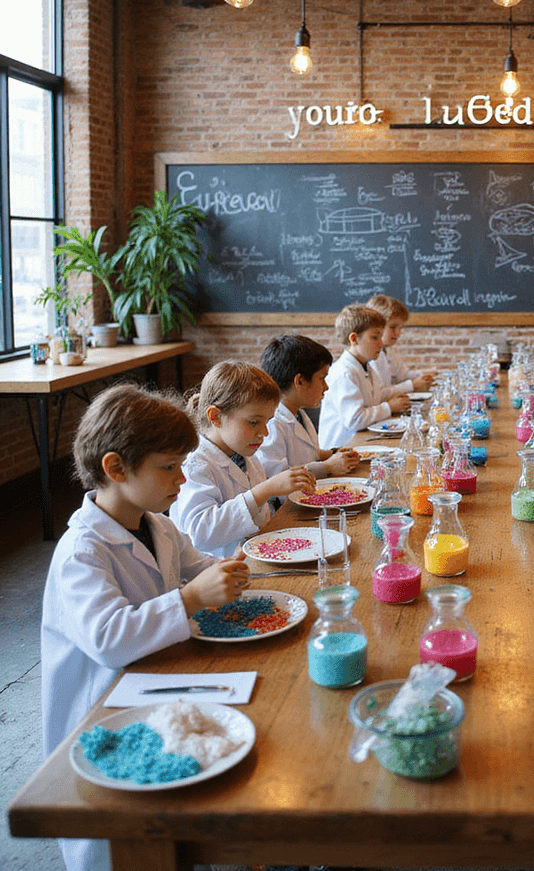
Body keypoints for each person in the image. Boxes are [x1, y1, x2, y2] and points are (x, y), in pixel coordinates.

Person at [40, 383, 250, 871]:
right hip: (103, 709)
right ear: (116, 468)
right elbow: (110, 639)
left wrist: (232, 571)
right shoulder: (81, 552)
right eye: (169, 467)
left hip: (154, 683)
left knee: (176, 803)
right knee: (122, 842)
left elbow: (197, 567)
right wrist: (193, 598)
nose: (182, 478)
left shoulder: (159, 525)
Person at [171, 360, 315, 557]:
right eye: (254, 422)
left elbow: (259, 518)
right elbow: (199, 533)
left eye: (267, 422)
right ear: (216, 417)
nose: (264, 432)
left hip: (254, 556)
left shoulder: (247, 456)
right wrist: (264, 491)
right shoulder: (195, 466)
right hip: (218, 568)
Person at [259, 333, 359, 486]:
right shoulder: (272, 425)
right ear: (299, 381)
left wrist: (332, 453)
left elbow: (308, 454)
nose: (326, 387)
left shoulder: (299, 414)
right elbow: (276, 479)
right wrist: (327, 467)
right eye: (322, 378)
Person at [318, 303, 411, 447]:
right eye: (375, 337)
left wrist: (397, 395)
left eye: (381, 337)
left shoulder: (365, 366)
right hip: (341, 448)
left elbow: (376, 395)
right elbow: (355, 420)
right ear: (354, 339)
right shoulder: (344, 373)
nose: (381, 343)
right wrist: (389, 407)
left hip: (361, 441)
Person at [365, 294, 436, 397]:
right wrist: (412, 385)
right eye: (392, 327)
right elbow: (380, 394)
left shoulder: (389, 350)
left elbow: (402, 375)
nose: (398, 333)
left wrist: (423, 375)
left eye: (400, 327)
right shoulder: (371, 356)